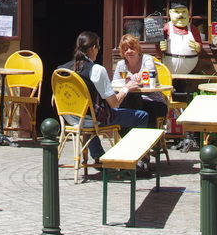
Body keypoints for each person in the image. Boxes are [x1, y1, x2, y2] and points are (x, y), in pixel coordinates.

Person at [59, 31, 150, 164]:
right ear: (94, 48)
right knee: (142, 116)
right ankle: (138, 157)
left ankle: (99, 157)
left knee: (89, 119)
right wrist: (126, 88)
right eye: (98, 47)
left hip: (71, 118)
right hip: (92, 119)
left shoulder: (62, 69)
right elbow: (114, 103)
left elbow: (55, 98)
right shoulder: (96, 70)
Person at [112, 34, 168, 123]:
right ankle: (128, 136)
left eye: (132, 48)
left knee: (142, 111)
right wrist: (135, 79)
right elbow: (115, 84)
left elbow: (149, 73)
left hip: (151, 100)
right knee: (121, 111)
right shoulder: (121, 65)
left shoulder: (147, 59)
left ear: (138, 49)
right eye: (125, 49)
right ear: (122, 52)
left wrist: (131, 79)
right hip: (129, 100)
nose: (129, 51)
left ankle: (146, 136)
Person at [159, 0, 203, 74]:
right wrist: (161, 46)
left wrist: (198, 47)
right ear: (170, 13)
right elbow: (158, 48)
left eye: (183, 12)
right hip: (169, 68)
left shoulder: (193, 29)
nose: (180, 15)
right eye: (177, 12)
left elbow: (199, 44)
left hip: (190, 70)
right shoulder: (166, 28)